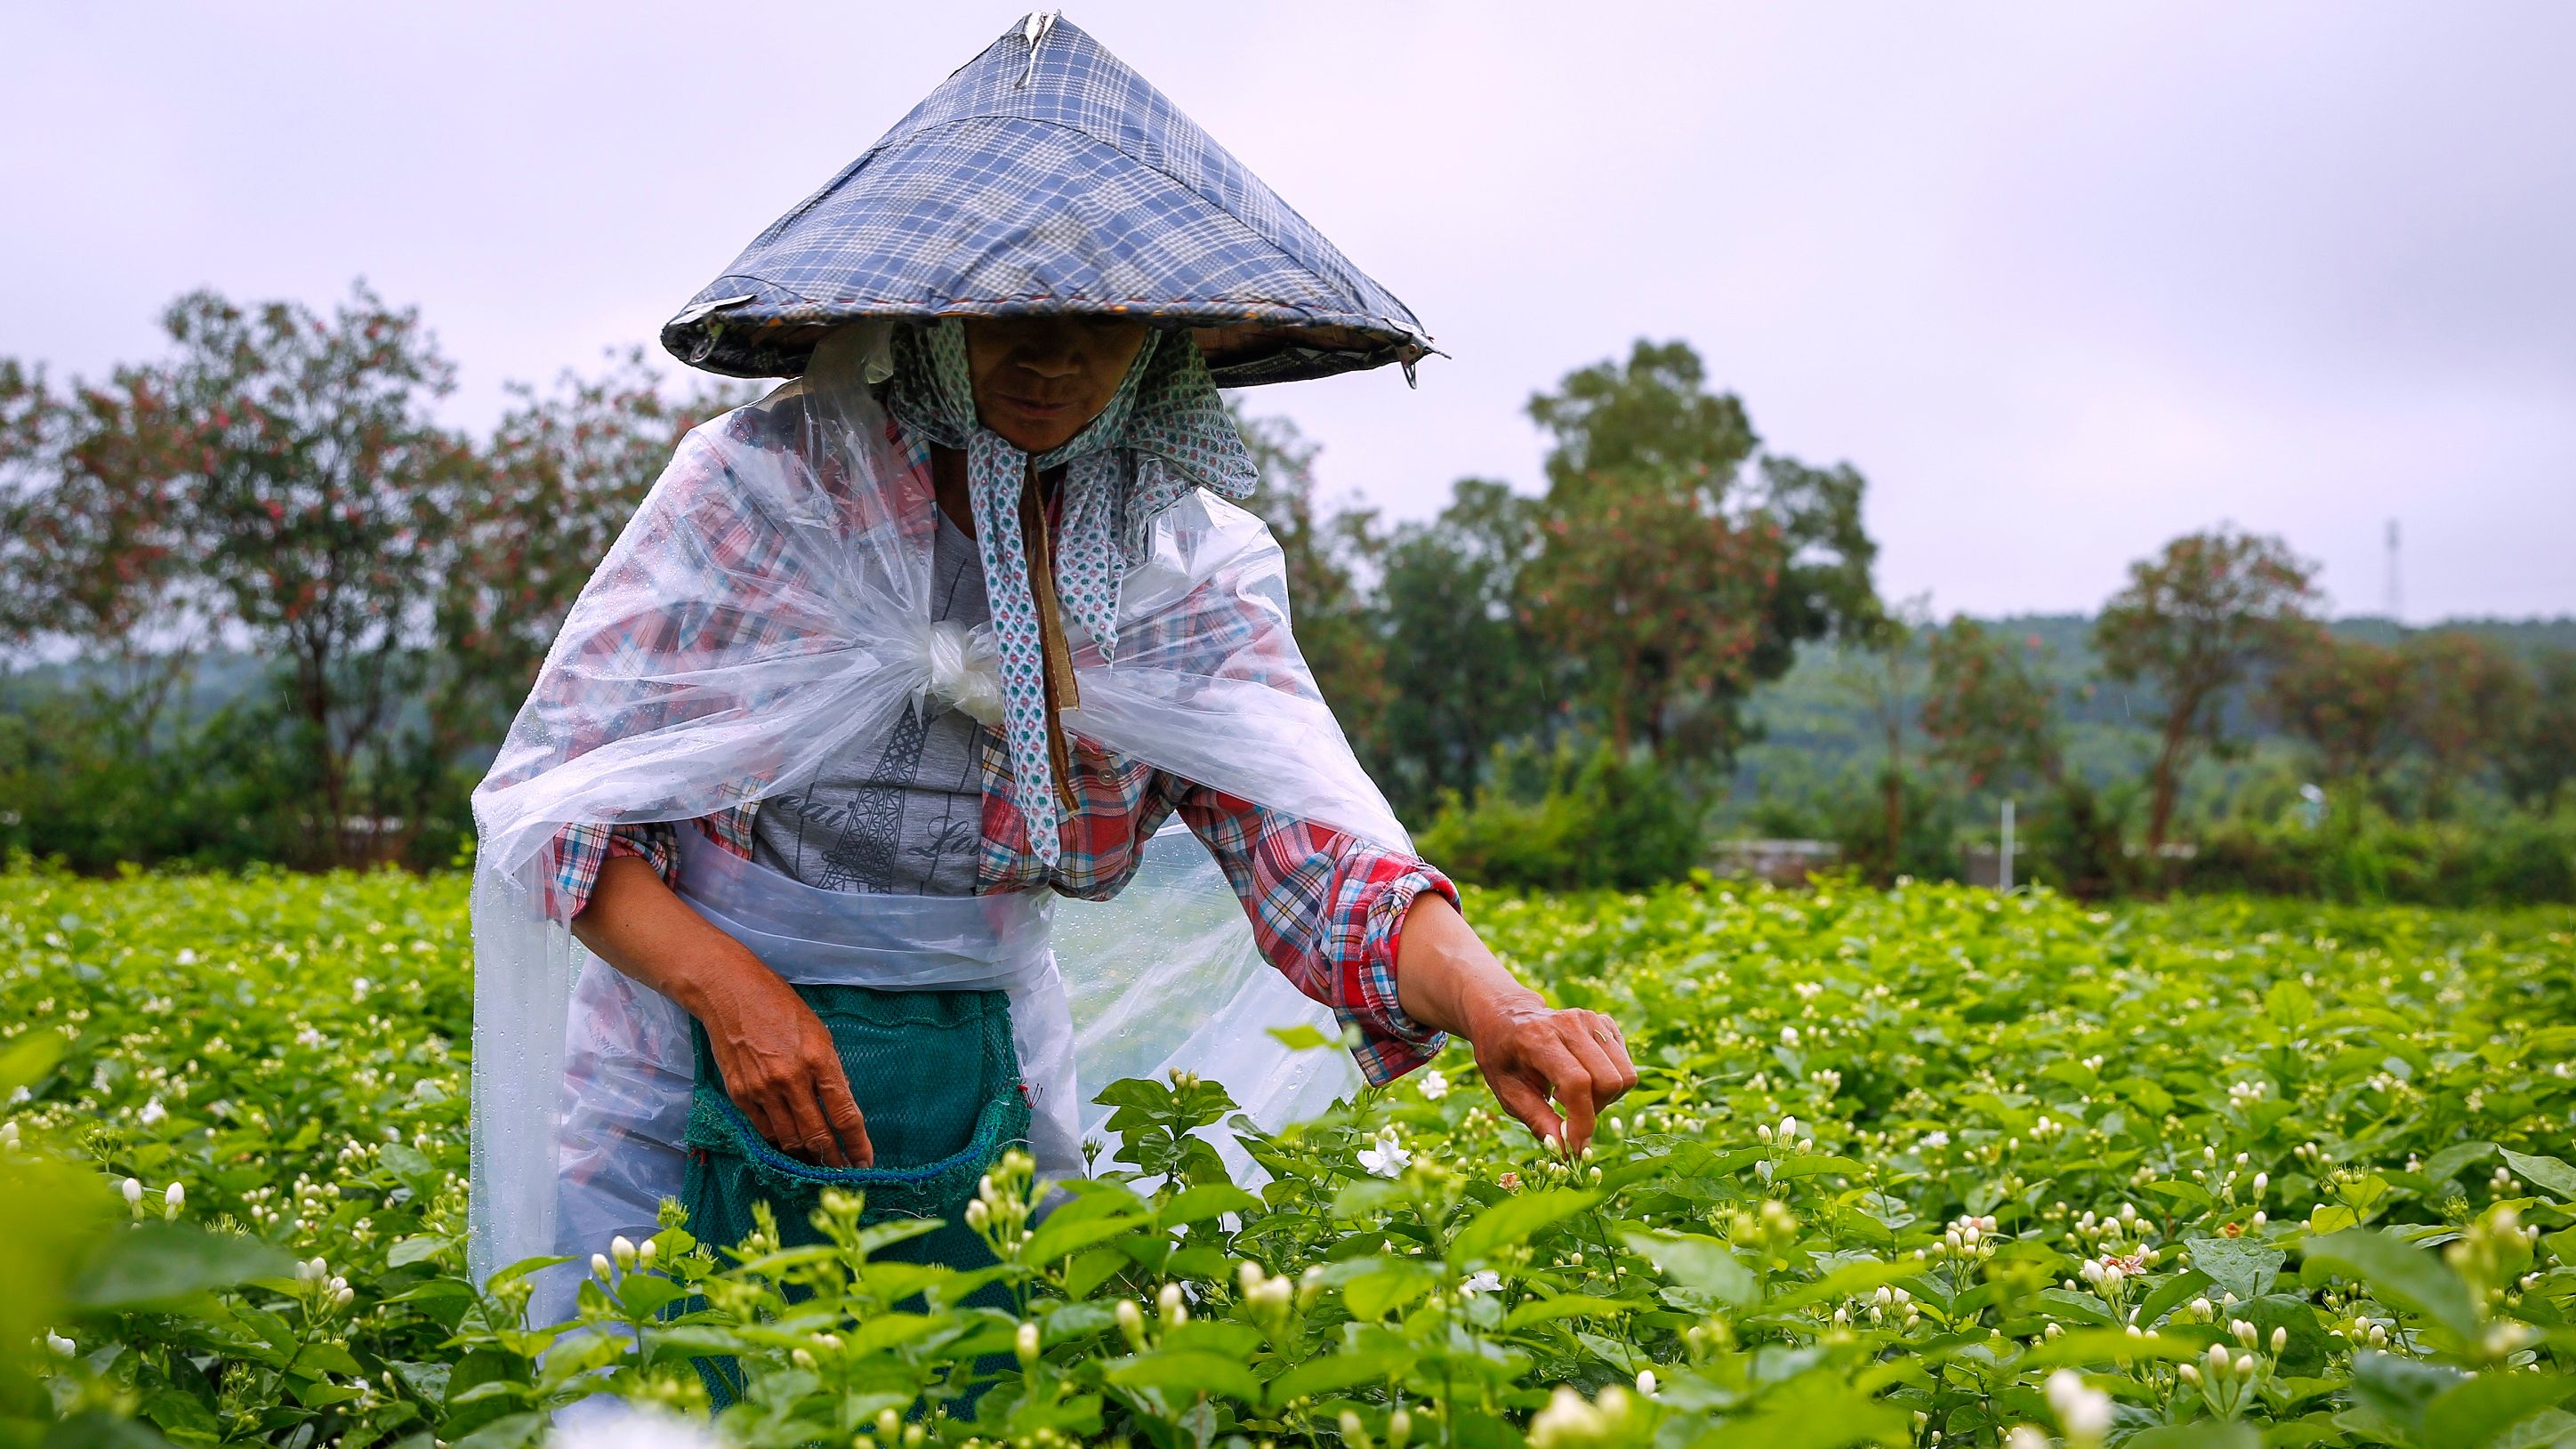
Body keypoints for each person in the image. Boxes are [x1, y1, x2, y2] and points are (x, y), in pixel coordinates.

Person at [464, 14, 1635, 1320]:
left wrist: (1495, 998)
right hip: (684, 1051)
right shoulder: (758, 491)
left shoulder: (1175, 558)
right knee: (660, 1371)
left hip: (979, 1061)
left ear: (1162, 340)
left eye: (1102, 318)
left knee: (973, 1369)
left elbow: (1307, 847)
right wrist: (729, 989)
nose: (1052, 354)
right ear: (924, 314)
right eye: (1007, 312)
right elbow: (559, 812)